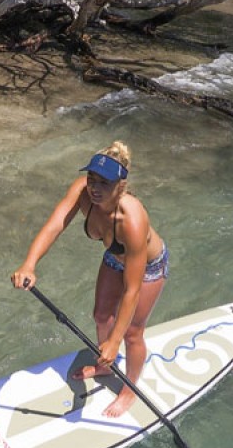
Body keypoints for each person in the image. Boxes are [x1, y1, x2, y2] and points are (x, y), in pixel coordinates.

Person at [11, 141, 168, 418]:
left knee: (131, 332)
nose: (95, 187)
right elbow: (55, 224)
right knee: (100, 315)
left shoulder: (131, 218)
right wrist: (29, 264)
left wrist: (115, 340)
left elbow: (132, 290)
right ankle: (106, 365)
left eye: (104, 183)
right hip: (114, 255)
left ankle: (129, 390)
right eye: (92, 178)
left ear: (121, 185)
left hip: (147, 268)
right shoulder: (83, 191)